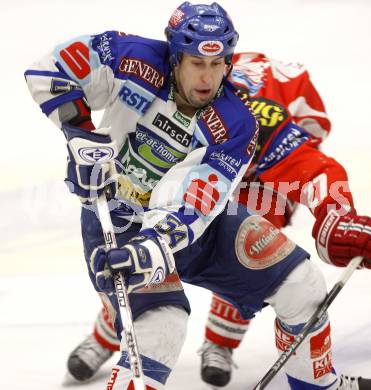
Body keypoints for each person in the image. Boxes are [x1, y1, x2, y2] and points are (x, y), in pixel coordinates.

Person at [25, 2, 371, 389]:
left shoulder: (242, 119)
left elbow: (197, 200)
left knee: (301, 282)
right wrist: (81, 133)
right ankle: (108, 335)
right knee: (162, 323)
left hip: (197, 223)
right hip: (119, 214)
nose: (208, 78)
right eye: (196, 63)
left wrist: (337, 214)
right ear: (175, 57)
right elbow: (49, 68)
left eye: (217, 63)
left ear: (229, 61)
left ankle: (313, 384)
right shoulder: (129, 57)